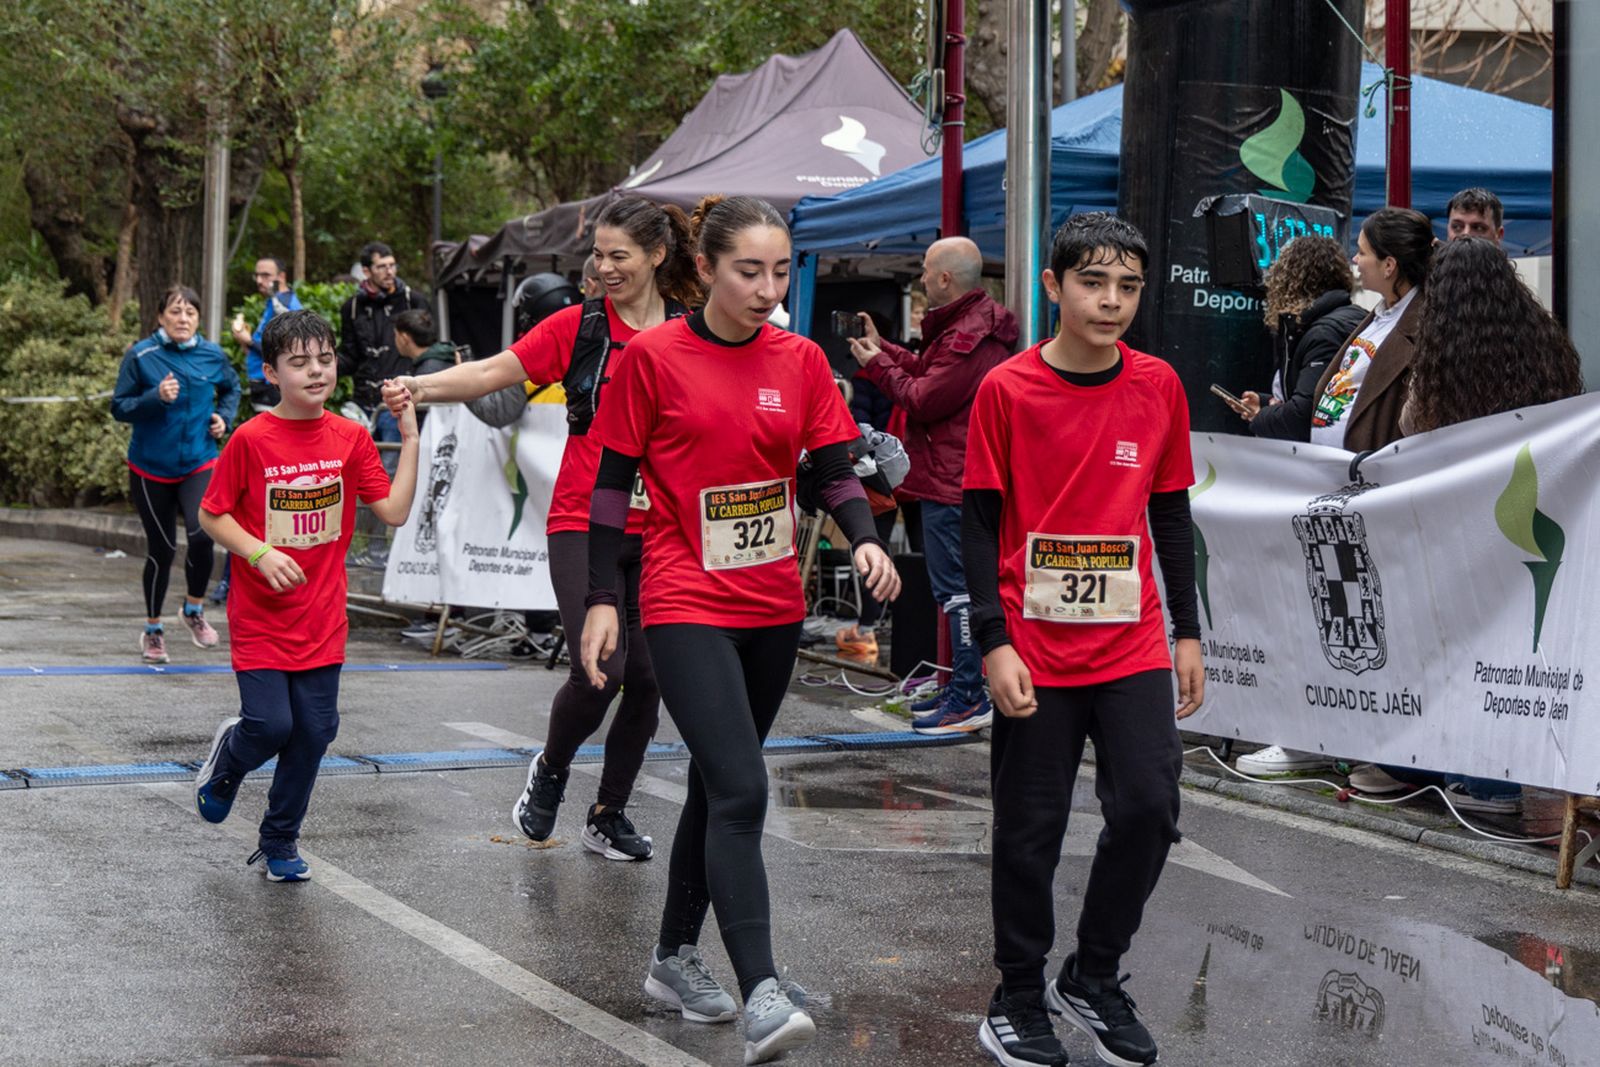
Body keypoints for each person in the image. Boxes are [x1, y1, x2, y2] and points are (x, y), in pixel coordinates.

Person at [578, 195, 900, 1065]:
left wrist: (866, 542)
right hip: (685, 600)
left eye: (778, 270)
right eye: (747, 270)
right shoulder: (654, 358)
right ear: (710, 270)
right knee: (745, 787)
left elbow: (832, 468)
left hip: (772, 608)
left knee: (718, 788)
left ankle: (674, 957)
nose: (765, 287)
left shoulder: (799, 360)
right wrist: (605, 595)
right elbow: (611, 483)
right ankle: (759, 985)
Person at [383, 196, 701, 863]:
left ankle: (608, 812)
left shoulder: (688, 330)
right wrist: (421, 387)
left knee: (650, 679)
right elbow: (495, 372)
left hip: (663, 525)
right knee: (598, 672)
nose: (605, 268)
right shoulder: (579, 326)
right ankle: (552, 767)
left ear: (656, 255)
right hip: (584, 520)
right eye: (599, 255)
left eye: (620, 256)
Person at [964, 213, 1202, 1067]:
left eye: (1128, 286)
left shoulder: (1159, 385)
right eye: (1093, 282)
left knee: (1148, 806)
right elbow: (978, 522)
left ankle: (1093, 975)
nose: (1111, 301)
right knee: (1030, 828)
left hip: (1130, 640)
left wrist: (1188, 630)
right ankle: (1017, 993)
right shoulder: (1008, 390)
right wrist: (991, 641)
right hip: (1033, 646)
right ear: (1053, 285)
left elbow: (1170, 511)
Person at [1346, 237, 1584, 814]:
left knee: (1448, 649)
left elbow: (1413, 428)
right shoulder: (1549, 347)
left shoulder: (1444, 358)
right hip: (1533, 516)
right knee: (1513, 649)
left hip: (1459, 530)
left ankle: (1455, 773)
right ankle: (1498, 780)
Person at [192, 309, 419, 881]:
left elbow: (391, 511)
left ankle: (280, 840)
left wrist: (412, 437)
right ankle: (227, 764)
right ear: (271, 372)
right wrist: (260, 553)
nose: (316, 372)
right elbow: (211, 514)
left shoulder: (349, 437)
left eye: (324, 359)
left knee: (316, 730)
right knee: (270, 726)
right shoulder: (250, 439)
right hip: (263, 617)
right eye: (299, 363)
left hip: (322, 616)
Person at [848, 236, 1019, 734]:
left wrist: (877, 364)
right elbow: (928, 373)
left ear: (945, 278)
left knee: (958, 593)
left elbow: (924, 397)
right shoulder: (966, 328)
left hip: (954, 481)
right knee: (955, 591)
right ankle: (960, 688)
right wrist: (883, 352)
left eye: (925, 271)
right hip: (949, 477)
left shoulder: (970, 335)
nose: (920, 278)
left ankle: (968, 697)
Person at [112, 285, 241, 663]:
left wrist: (224, 419)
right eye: (175, 312)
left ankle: (193, 609)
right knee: (163, 548)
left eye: (190, 313)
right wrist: (155, 397)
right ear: (160, 317)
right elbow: (119, 407)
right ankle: (153, 630)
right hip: (150, 467)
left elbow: (230, 389)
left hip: (199, 461)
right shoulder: (141, 355)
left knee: (204, 537)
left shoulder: (212, 354)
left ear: (199, 319)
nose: (183, 319)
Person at [1307, 207, 1434, 453]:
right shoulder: (1381, 314)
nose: (1355, 259)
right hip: (1334, 469)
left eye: (1362, 252)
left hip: (1375, 474)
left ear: (1388, 265)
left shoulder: (1425, 327)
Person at [1235, 235, 1369, 443]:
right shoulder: (1355, 317)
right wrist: (1265, 403)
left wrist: (1260, 416)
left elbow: (1304, 416)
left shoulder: (1323, 334)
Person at [337, 241, 429, 454]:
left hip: (396, 400)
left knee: (391, 468)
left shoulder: (412, 301)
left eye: (392, 265)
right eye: (382, 267)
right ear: (366, 271)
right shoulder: (351, 308)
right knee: (361, 469)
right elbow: (350, 356)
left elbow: (426, 349)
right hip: (362, 403)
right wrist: (326, 364)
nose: (389, 271)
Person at [230, 256, 302, 411]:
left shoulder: (283, 305)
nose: (259, 280)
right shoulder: (275, 300)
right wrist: (247, 343)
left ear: (281, 277)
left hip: (272, 387)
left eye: (265, 275)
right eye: (257, 275)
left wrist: (249, 341)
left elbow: (284, 351)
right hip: (264, 386)